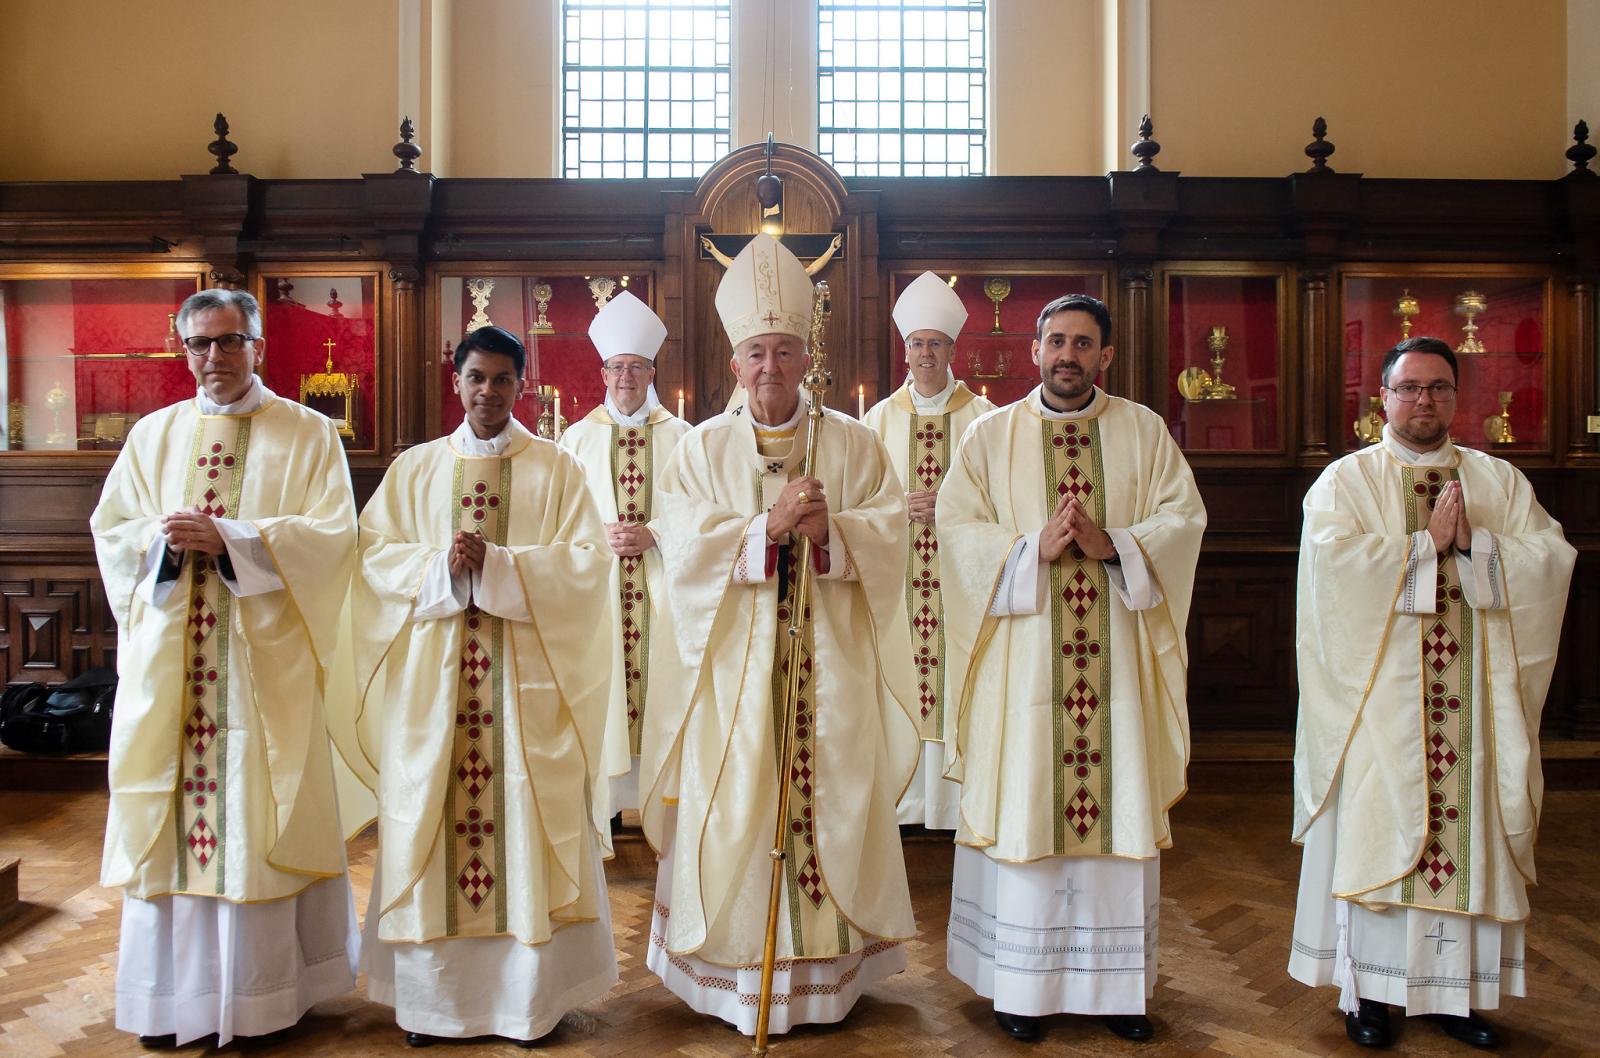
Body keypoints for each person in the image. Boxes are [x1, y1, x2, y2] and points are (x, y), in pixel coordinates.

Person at [638, 233, 920, 1035]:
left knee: (829, 797)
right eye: (756, 352)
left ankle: (826, 977)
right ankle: (734, 977)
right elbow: (684, 549)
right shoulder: (698, 451)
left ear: (808, 360)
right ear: (735, 365)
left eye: (785, 351)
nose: (770, 366)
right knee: (739, 806)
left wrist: (834, 532)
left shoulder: (854, 446)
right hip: (735, 676)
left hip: (828, 670)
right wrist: (767, 527)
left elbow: (891, 537)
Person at [90, 288, 359, 1048]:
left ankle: (265, 997)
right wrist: (164, 543)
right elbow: (114, 530)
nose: (215, 357)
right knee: (167, 815)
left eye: (230, 341)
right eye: (200, 344)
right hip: (173, 671)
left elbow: (334, 538)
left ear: (260, 346)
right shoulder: (153, 434)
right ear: (183, 351)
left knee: (257, 815)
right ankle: (169, 1000)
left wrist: (234, 540)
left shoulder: (309, 434)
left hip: (259, 673)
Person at [1288, 336, 1575, 1050]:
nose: (1424, 401)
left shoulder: (1497, 482)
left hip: (1472, 709)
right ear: (1381, 398)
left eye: (1439, 388)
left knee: (1467, 839)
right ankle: (1371, 998)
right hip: (1379, 710)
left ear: (1456, 397)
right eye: (1410, 387)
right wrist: (1422, 547)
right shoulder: (1345, 482)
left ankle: (1454, 997)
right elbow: (1330, 575)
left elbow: (1551, 557)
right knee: (1379, 836)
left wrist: (1481, 547)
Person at [936, 293, 1205, 1043]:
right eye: (1055, 340)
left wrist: (1115, 542)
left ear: (1106, 356)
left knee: (1114, 815)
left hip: (1113, 672)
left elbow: (1184, 520)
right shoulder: (991, 437)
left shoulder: (1144, 432)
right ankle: (1021, 987)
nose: (1067, 355)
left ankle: (1116, 992)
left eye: (1083, 343)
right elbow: (956, 530)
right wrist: (1031, 549)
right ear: (1034, 350)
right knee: (1029, 808)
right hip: (1026, 673)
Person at [347, 325, 618, 1047]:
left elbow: (589, 567)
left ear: (521, 385)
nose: (488, 392)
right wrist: (443, 567)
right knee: (430, 830)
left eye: (502, 379)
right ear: (456, 382)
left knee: (526, 829)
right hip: (436, 695)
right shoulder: (415, 470)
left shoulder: (557, 469)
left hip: (524, 695)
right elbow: (374, 558)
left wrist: (499, 566)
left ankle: (526, 1006)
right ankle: (434, 1009)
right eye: (476, 377)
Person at [863, 270, 995, 829]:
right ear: (905, 348)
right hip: (898, 581)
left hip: (958, 583)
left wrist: (947, 507)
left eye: (934, 344)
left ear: (951, 348)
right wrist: (899, 508)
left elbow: (1001, 504)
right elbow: (862, 503)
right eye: (916, 343)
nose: (925, 353)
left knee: (959, 677)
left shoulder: (984, 420)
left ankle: (951, 806)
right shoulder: (876, 422)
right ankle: (905, 802)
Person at [558, 291, 691, 815]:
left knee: (664, 691)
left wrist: (655, 532)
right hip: (602, 592)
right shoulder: (575, 441)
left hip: (663, 590)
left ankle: (664, 801)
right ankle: (606, 805)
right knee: (605, 692)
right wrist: (602, 533)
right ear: (603, 373)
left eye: (637, 367)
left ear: (652, 373)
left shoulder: (684, 438)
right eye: (617, 368)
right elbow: (561, 517)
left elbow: (703, 512)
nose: (626, 378)